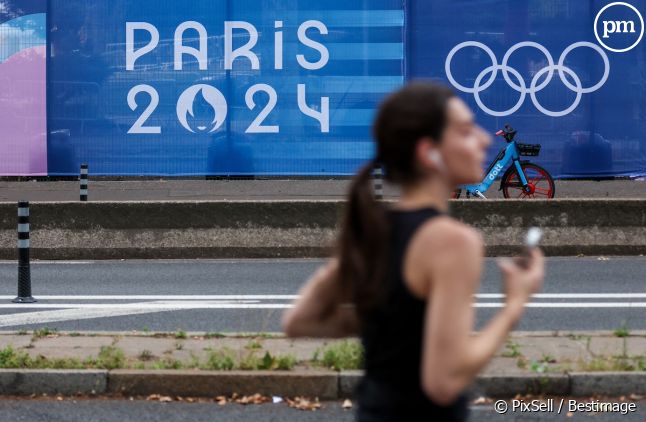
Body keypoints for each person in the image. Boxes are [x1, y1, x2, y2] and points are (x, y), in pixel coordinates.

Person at [281, 82, 545, 421]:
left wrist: (387, 323)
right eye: (465, 131)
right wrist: (514, 306)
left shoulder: (376, 228)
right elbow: (444, 382)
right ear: (428, 152)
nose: (482, 139)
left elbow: (298, 321)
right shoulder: (453, 242)